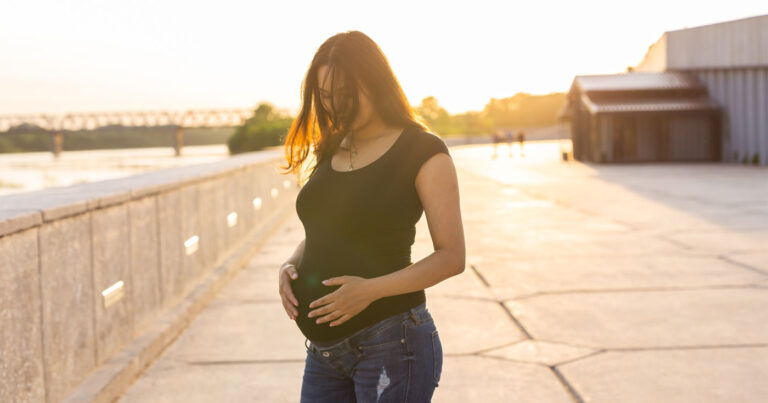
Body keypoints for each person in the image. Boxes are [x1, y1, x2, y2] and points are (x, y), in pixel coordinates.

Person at [278, 31, 466, 402]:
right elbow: (326, 230)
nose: (334, 107)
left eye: (345, 95)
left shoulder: (423, 151)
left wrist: (369, 290)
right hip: (325, 353)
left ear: (375, 83)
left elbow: (452, 256)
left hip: (392, 343)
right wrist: (289, 264)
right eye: (326, 96)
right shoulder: (332, 144)